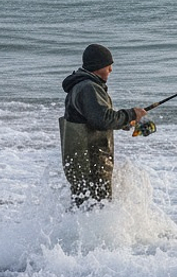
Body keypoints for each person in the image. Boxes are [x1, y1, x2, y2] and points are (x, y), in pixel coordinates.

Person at [59, 44, 146, 207]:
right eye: (108, 66)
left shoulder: (82, 85)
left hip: (82, 159)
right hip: (90, 160)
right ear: (97, 66)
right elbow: (103, 119)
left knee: (84, 203)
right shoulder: (88, 87)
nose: (111, 70)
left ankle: (78, 232)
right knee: (97, 203)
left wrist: (126, 122)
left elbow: (94, 118)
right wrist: (132, 114)